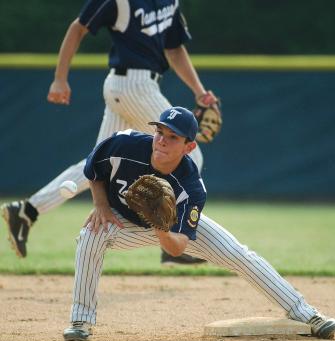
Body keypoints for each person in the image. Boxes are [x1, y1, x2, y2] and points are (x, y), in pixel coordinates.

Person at [62, 106, 335, 341]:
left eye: (173, 137)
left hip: (167, 227)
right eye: (159, 132)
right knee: (90, 235)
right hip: (122, 220)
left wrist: (159, 225)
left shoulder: (191, 187)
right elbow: (94, 170)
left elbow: (178, 246)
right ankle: (80, 321)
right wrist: (100, 205)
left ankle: (306, 313)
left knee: (238, 255)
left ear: (189, 146)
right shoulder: (123, 144)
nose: (161, 141)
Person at [1, 0, 218, 265]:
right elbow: (77, 28)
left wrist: (199, 91)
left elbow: (174, 49)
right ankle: (174, 244)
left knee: (99, 162)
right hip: (133, 85)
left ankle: (28, 210)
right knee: (189, 157)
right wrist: (60, 77)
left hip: (133, 87)